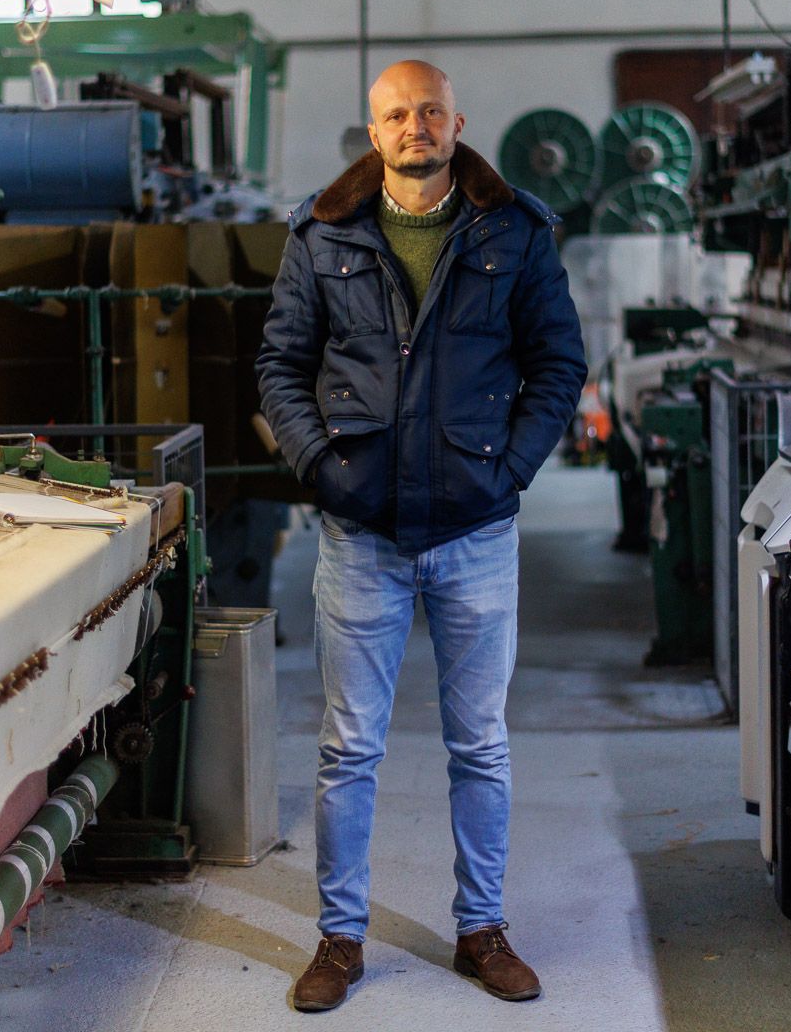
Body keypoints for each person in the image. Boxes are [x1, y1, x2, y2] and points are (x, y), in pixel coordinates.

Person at [256, 60, 586, 1012]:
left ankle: (482, 929)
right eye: (397, 114)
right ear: (374, 132)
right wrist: (321, 466)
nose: (415, 127)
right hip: (361, 531)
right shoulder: (321, 234)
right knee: (349, 746)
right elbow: (280, 365)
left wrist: (509, 470)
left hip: (476, 529)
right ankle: (340, 939)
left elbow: (559, 364)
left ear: (457, 122)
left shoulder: (515, 230)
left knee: (480, 742)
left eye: (430, 111)